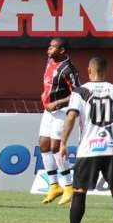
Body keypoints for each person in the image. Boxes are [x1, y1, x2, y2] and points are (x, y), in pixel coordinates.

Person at [57, 55, 113, 223]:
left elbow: (71, 116)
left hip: (88, 150)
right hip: (112, 149)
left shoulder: (80, 91)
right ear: (106, 71)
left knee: (79, 192)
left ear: (89, 71)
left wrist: (63, 142)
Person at [38, 38, 81, 206]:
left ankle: (69, 186)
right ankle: (54, 185)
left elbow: (77, 93)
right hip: (48, 111)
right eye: (49, 45)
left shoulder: (68, 69)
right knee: (43, 144)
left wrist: (58, 103)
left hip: (62, 111)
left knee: (56, 146)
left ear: (62, 50)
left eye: (53, 47)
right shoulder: (50, 61)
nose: (49, 49)